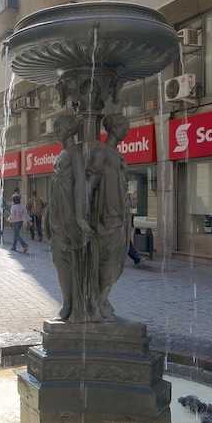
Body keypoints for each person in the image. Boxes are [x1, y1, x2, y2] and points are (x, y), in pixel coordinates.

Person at [84, 114, 132, 320]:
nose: (127, 130)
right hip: (106, 219)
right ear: (114, 128)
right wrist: (82, 214)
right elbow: (90, 183)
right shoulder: (102, 153)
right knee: (106, 265)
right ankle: (96, 302)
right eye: (124, 126)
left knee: (115, 265)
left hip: (120, 219)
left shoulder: (114, 153)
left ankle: (101, 300)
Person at [47, 115, 91, 322]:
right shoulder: (64, 153)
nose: (56, 130)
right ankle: (67, 302)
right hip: (57, 213)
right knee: (58, 258)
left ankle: (73, 306)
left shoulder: (75, 154)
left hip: (68, 214)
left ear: (71, 129)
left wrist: (80, 215)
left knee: (71, 260)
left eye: (60, 126)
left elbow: (81, 182)